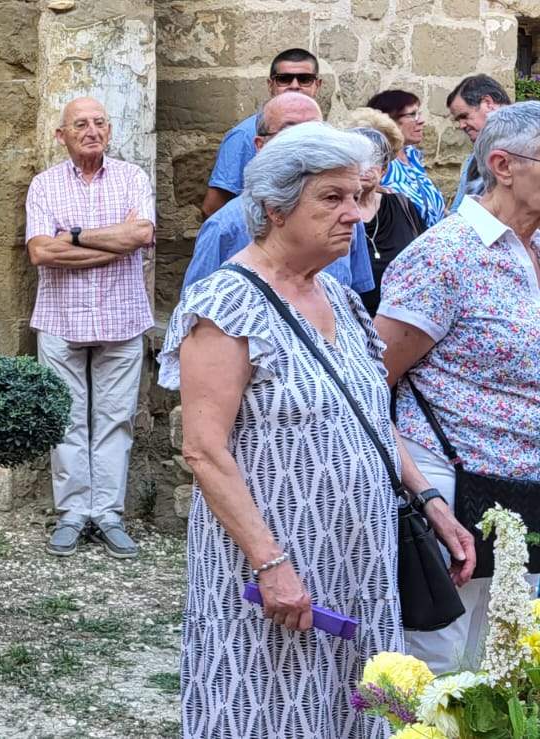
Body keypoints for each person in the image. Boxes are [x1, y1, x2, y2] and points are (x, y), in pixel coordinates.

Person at [161, 122, 474, 738]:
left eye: (358, 197)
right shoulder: (225, 309)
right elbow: (204, 450)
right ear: (275, 208)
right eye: (331, 199)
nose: (354, 215)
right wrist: (269, 562)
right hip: (277, 560)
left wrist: (430, 500)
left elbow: (372, 413)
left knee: (358, 708)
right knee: (267, 705)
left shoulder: (340, 295)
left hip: (361, 557)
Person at [378, 102, 540, 674]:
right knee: (439, 665)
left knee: (507, 663)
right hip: (450, 481)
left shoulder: (537, 248)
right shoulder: (446, 256)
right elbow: (374, 382)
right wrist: (423, 494)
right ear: (503, 165)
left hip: (526, 493)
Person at [23, 97, 155, 559]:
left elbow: (139, 236)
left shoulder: (132, 178)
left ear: (110, 130)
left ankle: (108, 513)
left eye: (99, 122)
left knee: (115, 420)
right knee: (66, 418)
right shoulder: (43, 186)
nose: (92, 130)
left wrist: (74, 237)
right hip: (61, 316)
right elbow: (40, 252)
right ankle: (73, 513)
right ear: (62, 135)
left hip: (121, 316)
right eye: (80, 124)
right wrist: (111, 243)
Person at [182, 92, 375, 294]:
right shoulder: (224, 227)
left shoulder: (349, 220)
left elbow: (358, 297)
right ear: (260, 145)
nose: (305, 142)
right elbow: (194, 313)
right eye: (289, 132)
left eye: (314, 132)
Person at [201, 48, 323, 218]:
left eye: (304, 79)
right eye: (284, 79)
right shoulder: (244, 136)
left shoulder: (325, 136)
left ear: (317, 85)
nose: (294, 86)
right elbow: (213, 208)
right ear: (271, 85)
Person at [342, 110, 426, 315]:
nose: (366, 167)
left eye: (374, 160)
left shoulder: (402, 205)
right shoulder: (338, 212)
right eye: (359, 159)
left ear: (384, 170)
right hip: (353, 321)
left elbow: (424, 259)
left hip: (403, 318)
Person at [365, 90, 446, 229]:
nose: (421, 121)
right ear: (389, 121)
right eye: (412, 115)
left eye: (419, 113)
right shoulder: (380, 163)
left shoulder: (412, 156)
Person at [446, 74, 511, 210]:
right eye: (458, 120)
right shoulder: (475, 157)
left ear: (487, 103)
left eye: (464, 116)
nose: (462, 125)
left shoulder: (529, 148)